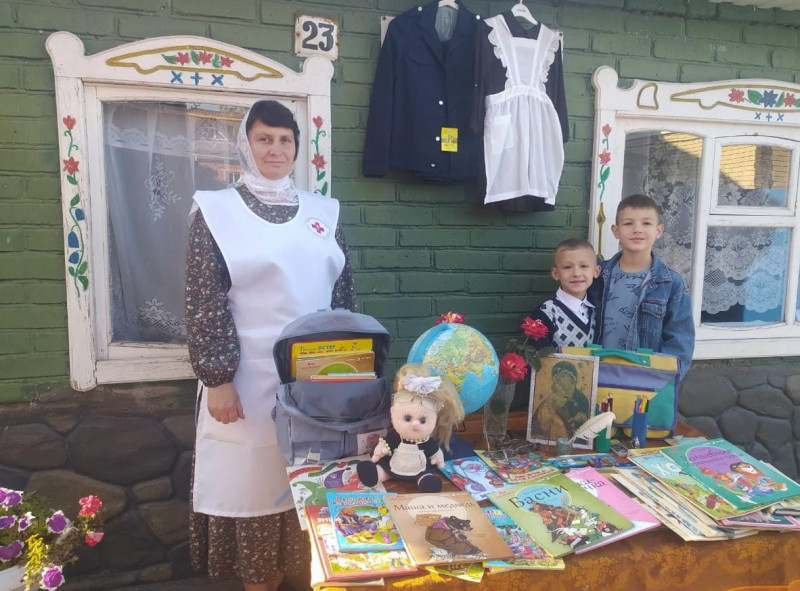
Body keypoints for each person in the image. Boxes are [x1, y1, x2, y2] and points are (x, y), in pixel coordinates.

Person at [185, 100, 356, 591]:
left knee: (309, 483)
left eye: (285, 140)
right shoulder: (217, 212)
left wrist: (350, 370)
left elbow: (343, 296)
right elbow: (204, 300)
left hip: (319, 378)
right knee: (255, 489)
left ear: (297, 147)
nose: (276, 149)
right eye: (264, 139)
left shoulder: (324, 212)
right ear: (246, 144)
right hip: (248, 382)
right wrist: (217, 379)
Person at [589, 193, 694, 379]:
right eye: (628, 223)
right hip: (598, 375)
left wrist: (659, 383)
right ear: (616, 230)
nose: (637, 230)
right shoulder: (597, 276)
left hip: (644, 381)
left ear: (658, 230)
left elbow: (680, 344)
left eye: (646, 223)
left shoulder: (671, 283)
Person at [528, 238, 600, 349]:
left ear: (596, 271)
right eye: (567, 267)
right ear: (556, 273)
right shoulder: (546, 312)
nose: (576, 273)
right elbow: (536, 355)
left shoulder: (596, 311)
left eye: (583, 266)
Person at [530, 360, 590, 442]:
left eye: (564, 377)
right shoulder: (550, 399)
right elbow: (536, 426)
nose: (561, 382)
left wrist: (568, 418)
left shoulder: (581, 400)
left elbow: (583, 431)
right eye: (557, 379)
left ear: (573, 380)